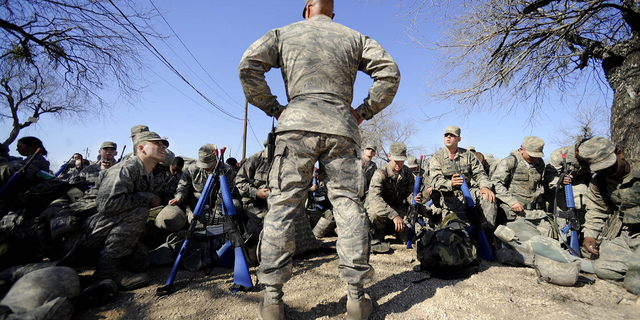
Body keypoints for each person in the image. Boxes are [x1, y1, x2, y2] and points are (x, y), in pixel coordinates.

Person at [238, 0, 400, 318]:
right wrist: (363, 111)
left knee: (282, 207)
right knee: (349, 208)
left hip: (296, 123)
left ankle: (272, 301)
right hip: (341, 126)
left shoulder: (283, 34)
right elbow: (390, 74)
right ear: (332, 13)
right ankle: (356, 299)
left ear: (307, 9)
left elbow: (248, 66)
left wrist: (273, 107)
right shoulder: (354, 37)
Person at [85, 131, 167, 290]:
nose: (163, 146)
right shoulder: (125, 169)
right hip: (87, 228)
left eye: (163, 144)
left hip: (102, 227)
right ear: (142, 148)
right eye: (157, 144)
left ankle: (104, 260)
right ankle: (106, 271)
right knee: (141, 212)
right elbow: (107, 205)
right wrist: (148, 198)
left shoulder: (146, 173)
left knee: (141, 262)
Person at [579, 137, 640, 294]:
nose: (608, 171)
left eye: (610, 165)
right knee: (602, 269)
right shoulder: (600, 182)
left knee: (634, 283)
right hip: (630, 236)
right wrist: (590, 235)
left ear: (620, 154)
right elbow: (596, 209)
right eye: (601, 169)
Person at [428, 126, 496, 228]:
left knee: (488, 197)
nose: (448, 137)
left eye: (452, 135)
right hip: (449, 199)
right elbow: (435, 181)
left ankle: (487, 235)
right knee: (452, 232)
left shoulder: (468, 155)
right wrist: (450, 183)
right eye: (446, 135)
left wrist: (485, 187)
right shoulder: (437, 158)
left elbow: (480, 173)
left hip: (469, 194)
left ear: (459, 139)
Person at [491, 136, 549, 237]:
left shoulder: (540, 163)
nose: (534, 158)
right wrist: (512, 201)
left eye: (537, 155)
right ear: (522, 149)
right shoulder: (510, 161)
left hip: (536, 213)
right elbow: (496, 183)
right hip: (516, 213)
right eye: (531, 155)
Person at [367, 143, 420, 251]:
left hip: (399, 208)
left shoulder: (407, 172)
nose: (399, 164)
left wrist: (414, 199)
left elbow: (409, 194)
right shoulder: (380, 173)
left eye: (402, 160)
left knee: (408, 237)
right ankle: (379, 231)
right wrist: (394, 215)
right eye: (396, 160)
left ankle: (396, 231)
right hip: (381, 208)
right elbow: (375, 198)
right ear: (389, 156)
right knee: (373, 214)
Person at [543, 139, 592, 242]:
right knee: (562, 214)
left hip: (578, 184)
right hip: (558, 187)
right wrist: (560, 181)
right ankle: (564, 241)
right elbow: (549, 176)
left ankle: (583, 236)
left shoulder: (592, 156)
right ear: (577, 151)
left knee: (584, 205)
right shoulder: (559, 154)